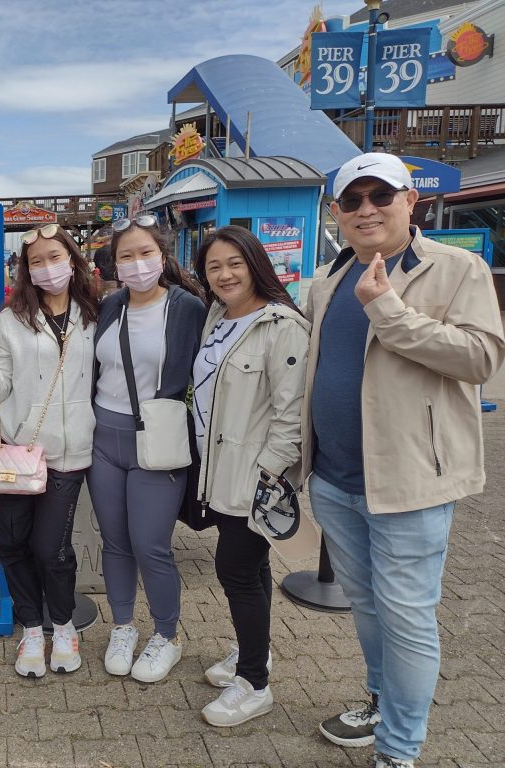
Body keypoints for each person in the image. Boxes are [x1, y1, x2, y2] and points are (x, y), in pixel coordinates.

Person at [305, 153, 505, 768]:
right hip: (334, 481)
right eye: (353, 200)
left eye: (381, 196)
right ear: (337, 214)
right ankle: (379, 699)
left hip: (410, 485)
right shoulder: (329, 277)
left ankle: (398, 749)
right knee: (366, 606)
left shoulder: (456, 268)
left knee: (409, 619)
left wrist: (388, 311)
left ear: (409, 201)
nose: (367, 209)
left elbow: (480, 359)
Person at [0, 223, 98, 678]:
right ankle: (32, 628)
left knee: (51, 548)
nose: (48, 268)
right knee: (12, 543)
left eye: (55, 257)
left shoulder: (95, 313)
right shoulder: (11, 318)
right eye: (37, 262)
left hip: (69, 455)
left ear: (72, 260)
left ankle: (64, 626)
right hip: (18, 451)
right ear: (25, 270)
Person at [190, 225, 310, 726]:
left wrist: (267, 476)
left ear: (256, 264)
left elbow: (292, 411)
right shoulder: (218, 316)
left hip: (253, 477)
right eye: (214, 266)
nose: (224, 274)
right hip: (217, 469)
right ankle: (251, 653)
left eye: (235, 263)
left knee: (236, 570)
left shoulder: (280, 325)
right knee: (253, 568)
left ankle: (255, 683)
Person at [88, 214, 206, 683]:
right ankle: (122, 627)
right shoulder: (110, 306)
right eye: (126, 256)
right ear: (114, 263)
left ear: (163, 256)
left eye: (146, 254)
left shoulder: (187, 308)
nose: (137, 265)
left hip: (157, 436)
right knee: (114, 542)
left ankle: (166, 634)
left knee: (151, 543)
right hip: (103, 435)